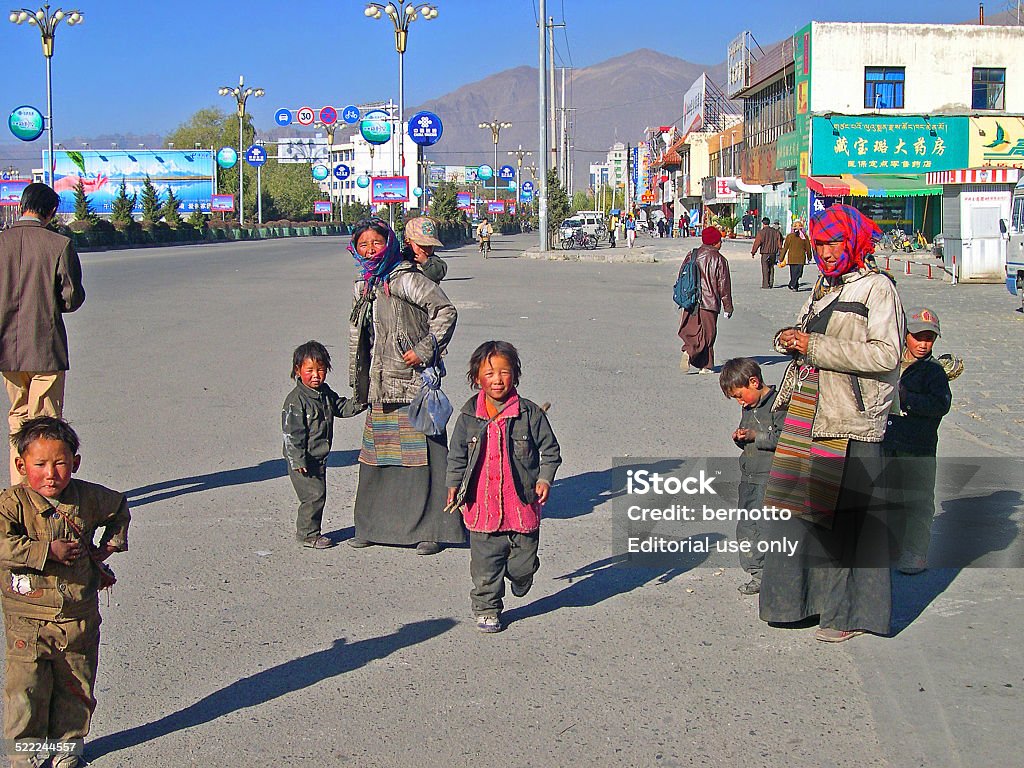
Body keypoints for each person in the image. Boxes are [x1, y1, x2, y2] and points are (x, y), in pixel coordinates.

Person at [760, 203, 904, 643]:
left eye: (832, 241)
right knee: (803, 514)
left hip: (851, 420)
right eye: (819, 243)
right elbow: (811, 336)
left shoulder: (878, 289)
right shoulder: (825, 287)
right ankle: (800, 605)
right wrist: (792, 339)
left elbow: (886, 355)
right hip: (809, 415)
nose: (824, 250)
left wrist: (816, 346)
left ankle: (848, 615)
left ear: (854, 241)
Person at [0, 416, 130, 768]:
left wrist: (108, 547)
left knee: (76, 688)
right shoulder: (11, 505)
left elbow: (118, 508)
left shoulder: (88, 497)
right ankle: (24, 757)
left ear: (75, 462)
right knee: (25, 691)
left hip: (78, 617)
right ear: (21, 465)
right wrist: (45, 552)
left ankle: (68, 749)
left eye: (60, 463)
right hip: (28, 621)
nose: (50, 473)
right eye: (39, 464)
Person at [347, 218, 463, 555]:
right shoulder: (363, 285)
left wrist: (425, 349)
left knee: (426, 458)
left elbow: (445, 311)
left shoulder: (405, 278)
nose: (370, 250)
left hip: (412, 382)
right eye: (363, 244)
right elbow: (359, 337)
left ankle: (432, 530)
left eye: (376, 243)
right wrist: (360, 381)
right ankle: (373, 527)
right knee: (378, 456)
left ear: (390, 243)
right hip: (380, 385)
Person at [445, 341, 561, 633]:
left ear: (515, 375)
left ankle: (523, 574)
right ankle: (487, 607)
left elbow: (551, 451)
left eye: (504, 372)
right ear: (476, 379)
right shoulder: (469, 418)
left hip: (520, 507)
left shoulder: (529, 414)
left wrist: (545, 478)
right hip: (482, 507)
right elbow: (457, 455)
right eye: (489, 373)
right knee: (485, 566)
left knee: (521, 565)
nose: (497, 379)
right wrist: (453, 485)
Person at [0, 183, 85, 487]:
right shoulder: (58, 245)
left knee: (18, 417)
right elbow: (72, 298)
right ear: (50, 212)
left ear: (22, 205)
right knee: (45, 422)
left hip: (7, 348)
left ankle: (19, 490)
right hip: (45, 347)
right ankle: (42, 491)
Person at [882, 307, 952, 575]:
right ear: (904, 335)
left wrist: (906, 398)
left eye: (929, 338)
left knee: (918, 500)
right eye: (917, 337)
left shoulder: (932, 371)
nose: (923, 344)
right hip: (889, 440)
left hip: (918, 444)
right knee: (889, 495)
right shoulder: (890, 362)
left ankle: (916, 552)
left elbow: (941, 404)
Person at [282, 340, 366, 549]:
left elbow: (341, 407)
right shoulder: (296, 401)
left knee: (319, 494)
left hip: (319, 457)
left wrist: (361, 401)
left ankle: (311, 531)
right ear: (297, 371)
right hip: (303, 460)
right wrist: (298, 459)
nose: (316, 375)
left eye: (320, 370)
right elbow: (292, 434)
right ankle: (308, 534)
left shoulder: (325, 393)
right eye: (309, 370)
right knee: (313, 496)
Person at [720, 358, 786, 595]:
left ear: (754, 382)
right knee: (747, 527)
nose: (740, 402)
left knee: (767, 528)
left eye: (740, 395)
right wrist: (741, 438)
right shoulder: (748, 406)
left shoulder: (779, 404)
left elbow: (784, 439)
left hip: (770, 477)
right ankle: (757, 572)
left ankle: (772, 574)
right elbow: (749, 437)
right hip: (749, 474)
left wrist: (755, 436)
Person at [677, 226, 734, 374]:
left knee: (693, 330)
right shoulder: (719, 259)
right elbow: (724, 286)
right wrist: (728, 307)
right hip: (709, 302)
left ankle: (691, 351)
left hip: (692, 299)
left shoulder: (693, 254)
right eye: (720, 241)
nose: (721, 244)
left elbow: (682, 275)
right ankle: (704, 364)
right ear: (714, 242)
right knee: (709, 334)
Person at [402, 216, 447, 284]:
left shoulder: (434, 261)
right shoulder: (403, 257)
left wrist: (426, 262)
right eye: (421, 245)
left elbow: (439, 274)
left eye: (429, 246)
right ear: (408, 242)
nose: (424, 250)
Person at [779, 218, 812, 291]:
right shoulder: (791, 236)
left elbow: (808, 248)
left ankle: (792, 284)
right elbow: (785, 248)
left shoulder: (803, 237)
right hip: (798, 258)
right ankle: (795, 286)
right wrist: (781, 258)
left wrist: (781, 258)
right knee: (797, 273)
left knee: (796, 273)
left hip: (794, 258)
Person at [750, 216, 782, 289]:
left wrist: (753, 252)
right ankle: (771, 282)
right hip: (773, 252)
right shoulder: (775, 232)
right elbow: (779, 243)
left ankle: (765, 284)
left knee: (765, 268)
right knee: (771, 267)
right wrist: (780, 251)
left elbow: (757, 243)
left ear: (763, 223)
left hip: (765, 253)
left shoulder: (761, 232)